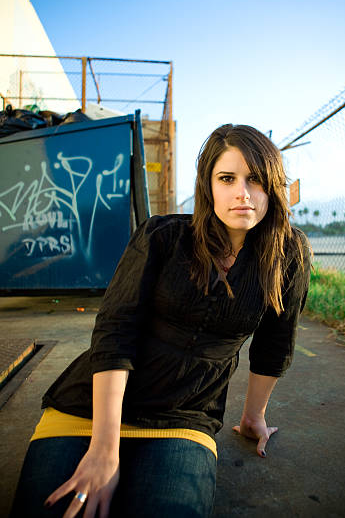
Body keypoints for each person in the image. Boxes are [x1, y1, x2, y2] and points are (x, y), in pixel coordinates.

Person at [11, 123, 311, 518]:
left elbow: (274, 346)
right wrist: (104, 450)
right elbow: (115, 332)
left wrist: (253, 416)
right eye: (227, 178)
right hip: (88, 408)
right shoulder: (162, 236)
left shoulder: (289, 253)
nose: (242, 192)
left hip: (184, 416)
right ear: (208, 186)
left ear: (272, 187)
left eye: (255, 180)